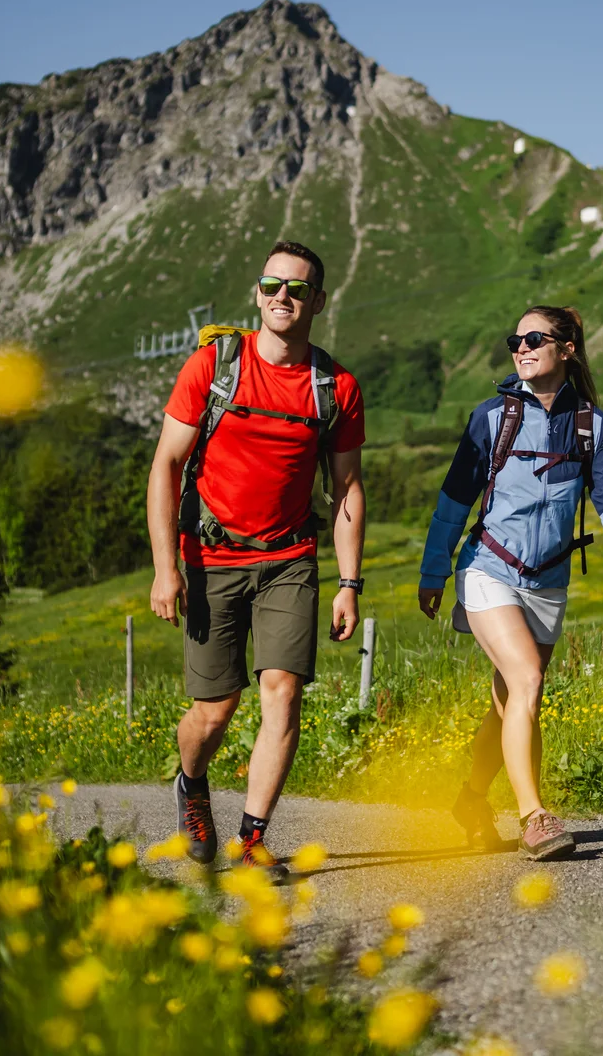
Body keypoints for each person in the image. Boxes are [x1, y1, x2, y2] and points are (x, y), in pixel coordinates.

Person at [146, 240, 366, 879]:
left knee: (283, 692)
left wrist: (349, 582)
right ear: (258, 293)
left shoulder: (336, 387)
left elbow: (346, 487)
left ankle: (252, 840)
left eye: (297, 290)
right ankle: (191, 783)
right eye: (272, 285)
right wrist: (166, 567)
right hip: (210, 556)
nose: (282, 297)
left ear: (317, 302)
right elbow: (166, 464)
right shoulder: (214, 366)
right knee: (216, 710)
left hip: (290, 557)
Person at [417, 306, 603, 859]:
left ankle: (472, 799)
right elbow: (454, 502)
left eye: (535, 338)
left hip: (548, 581)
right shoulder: (493, 417)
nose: (521, 346)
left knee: (512, 702)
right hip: (487, 568)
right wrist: (434, 568)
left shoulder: (591, 424)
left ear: (567, 348)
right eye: (515, 339)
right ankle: (534, 817)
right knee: (527, 678)